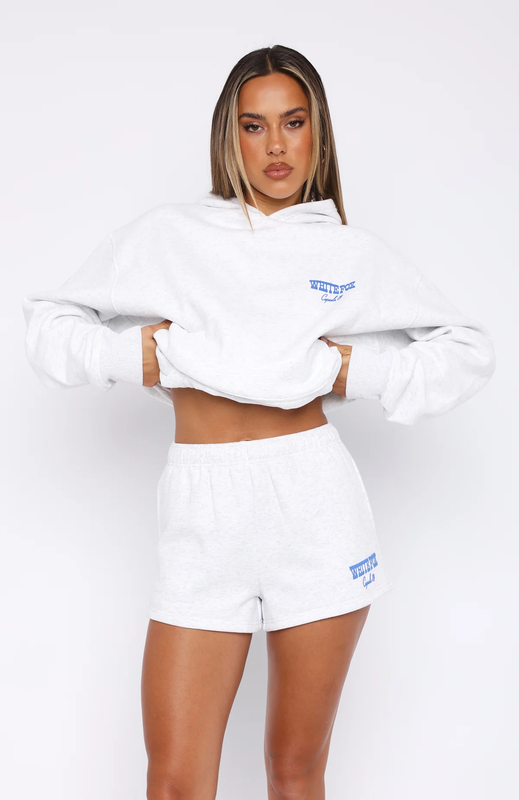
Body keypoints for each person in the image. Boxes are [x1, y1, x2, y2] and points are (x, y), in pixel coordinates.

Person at [22, 44, 495, 800]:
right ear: (229, 137)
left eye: (293, 122)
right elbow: (48, 325)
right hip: (201, 510)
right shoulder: (172, 237)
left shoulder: (346, 252)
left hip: (315, 508)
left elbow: (467, 351)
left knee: (294, 771)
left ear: (317, 132)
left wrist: (352, 370)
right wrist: (131, 357)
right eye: (254, 125)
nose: (276, 145)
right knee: (174, 782)